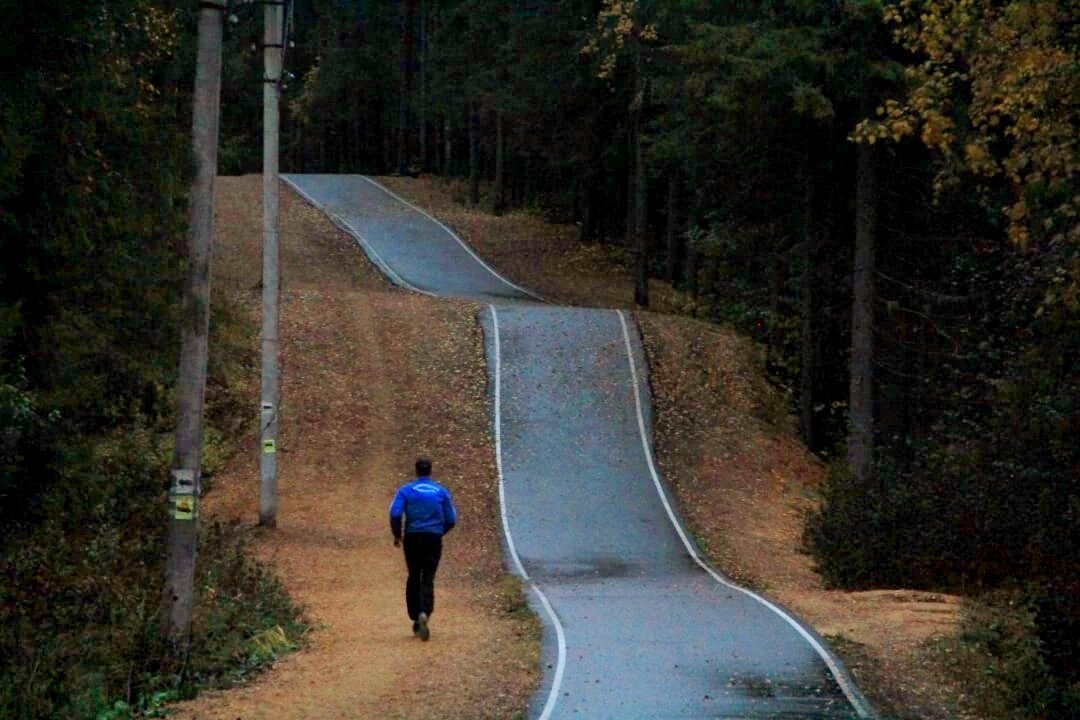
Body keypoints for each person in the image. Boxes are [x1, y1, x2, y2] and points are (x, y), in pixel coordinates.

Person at [389, 457, 457, 641]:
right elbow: (451, 518)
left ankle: (414, 614)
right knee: (428, 576)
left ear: (416, 470)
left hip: (413, 537)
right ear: (430, 471)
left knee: (413, 575)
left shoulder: (406, 490)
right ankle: (425, 611)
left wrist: (397, 534)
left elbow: (395, 513)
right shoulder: (441, 492)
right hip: (433, 537)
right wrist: (439, 532)